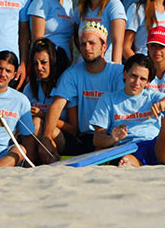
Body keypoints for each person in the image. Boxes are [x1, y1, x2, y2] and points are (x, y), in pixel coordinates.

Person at [89, 54, 165, 166]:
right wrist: (113, 139)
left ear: (147, 82)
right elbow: (97, 139)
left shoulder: (151, 96)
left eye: (142, 79)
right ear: (125, 73)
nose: (137, 83)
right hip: (128, 149)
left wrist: (162, 104)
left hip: (155, 146)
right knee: (125, 162)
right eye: (133, 76)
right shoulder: (108, 99)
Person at [43, 23, 124, 156]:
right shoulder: (72, 73)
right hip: (83, 138)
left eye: (92, 43)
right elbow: (57, 106)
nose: (87, 47)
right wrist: (46, 138)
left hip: (112, 136)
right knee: (43, 129)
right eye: (83, 44)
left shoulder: (118, 72)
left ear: (104, 47)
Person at [21, 38, 69, 163]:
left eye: (43, 62)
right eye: (35, 63)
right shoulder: (30, 87)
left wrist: (44, 115)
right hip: (36, 135)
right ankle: (33, 165)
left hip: (61, 136)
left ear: (52, 63)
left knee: (39, 122)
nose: (39, 67)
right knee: (35, 122)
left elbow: (73, 129)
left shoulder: (63, 87)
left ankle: (30, 164)